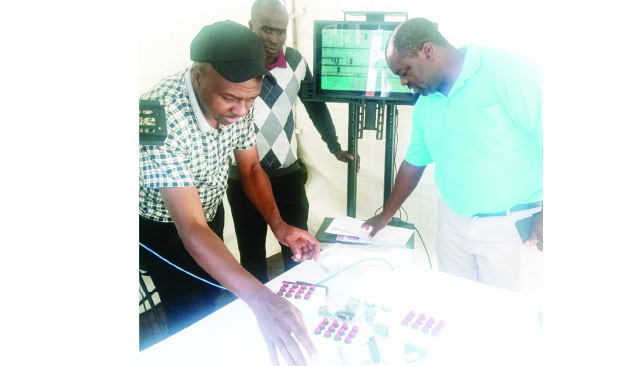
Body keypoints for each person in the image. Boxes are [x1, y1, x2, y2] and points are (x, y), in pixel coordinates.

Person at [139, 20, 317, 366]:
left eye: (249, 100)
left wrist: (279, 226)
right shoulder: (156, 117)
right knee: (191, 313)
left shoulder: (240, 100)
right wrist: (263, 300)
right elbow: (188, 226)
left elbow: (250, 169)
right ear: (198, 75)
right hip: (162, 229)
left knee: (212, 295)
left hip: (207, 212)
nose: (240, 111)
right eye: (231, 99)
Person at [363, 18, 543, 294]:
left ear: (427, 50)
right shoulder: (426, 103)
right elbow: (414, 162)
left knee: (508, 321)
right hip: (453, 223)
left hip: (510, 227)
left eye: (404, 71)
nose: (403, 81)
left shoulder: (506, 70)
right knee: (456, 308)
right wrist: (386, 214)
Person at [226, 0, 357, 284]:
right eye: (266, 30)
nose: (274, 39)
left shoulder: (296, 62)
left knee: (298, 252)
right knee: (251, 256)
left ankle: (299, 306)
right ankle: (259, 314)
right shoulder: (234, 62)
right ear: (251, 27)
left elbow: (315, 106)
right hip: (243, 177)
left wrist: (334, 146)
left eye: (281, 31)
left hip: (287, 175)